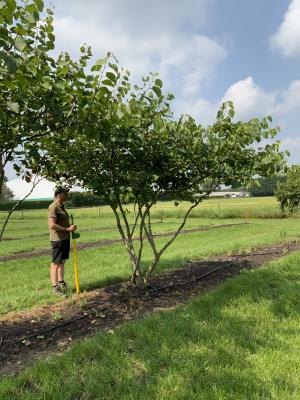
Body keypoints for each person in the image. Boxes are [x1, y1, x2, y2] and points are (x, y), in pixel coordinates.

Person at [47, 187, 77, 294]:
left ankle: (62, 282)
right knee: (56, 263)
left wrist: (70, 226)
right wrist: (67, 229)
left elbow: (62, 222)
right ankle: (55, 287)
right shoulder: (53, 207)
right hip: (57, 239)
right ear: (59, 194)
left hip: (65, 238)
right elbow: (52, 225)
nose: (67, 195)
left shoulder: (62, 207)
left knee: (62, 262)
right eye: (65, 193)